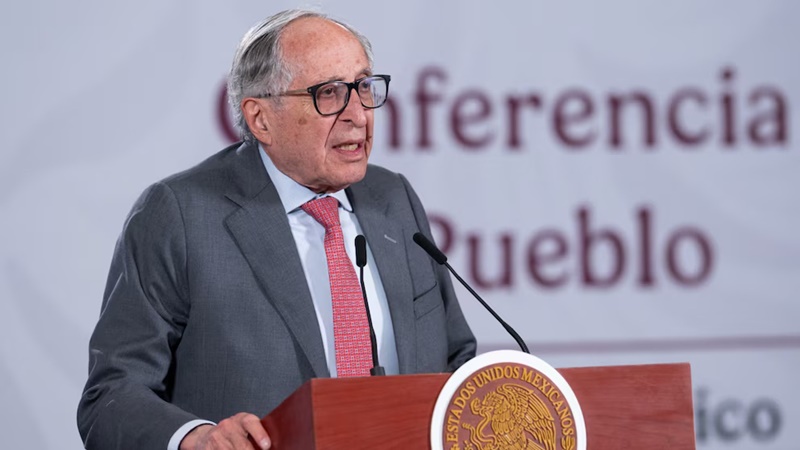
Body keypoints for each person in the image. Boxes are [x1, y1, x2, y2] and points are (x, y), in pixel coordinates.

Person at [76, 8, 476, 450]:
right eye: (329, 93)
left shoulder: (393, 198)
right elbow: (110, 396)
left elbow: (455, 359)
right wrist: (197, 437)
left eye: (363, 86)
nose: (359, 115)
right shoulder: (181, 215)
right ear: (261, 118)